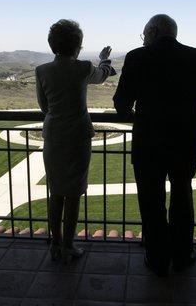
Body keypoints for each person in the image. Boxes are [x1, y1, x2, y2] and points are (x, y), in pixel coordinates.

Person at [113, 14, 196, 276]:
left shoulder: (136, 58)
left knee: (151, 200)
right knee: (182, 196)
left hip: (148, 142)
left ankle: (156, 257)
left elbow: (121, 103)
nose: (143, 38)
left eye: (144, 33)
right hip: (183, 141)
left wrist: (132, 116)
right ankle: (181, 253)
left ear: (154, 31)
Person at [35, 19, 116, 262]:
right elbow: (102, 75)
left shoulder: (41, 71)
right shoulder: (83, 68)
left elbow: (43, 106)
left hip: (53, 136)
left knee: (56, 192)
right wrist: (104, 58)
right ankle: (69, 244)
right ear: (78, 45)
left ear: (52, 44)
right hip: (78, 138)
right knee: (73, 194)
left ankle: (55, 244)